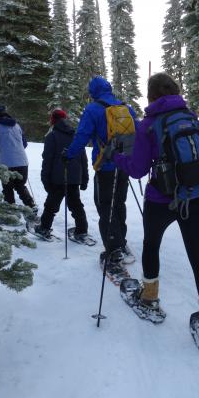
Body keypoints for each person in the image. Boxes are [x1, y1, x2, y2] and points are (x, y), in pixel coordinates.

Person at [113, 72, 199, 348]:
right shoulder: (190, 117)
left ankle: (149, 298)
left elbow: (138, 169)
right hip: (196, 198)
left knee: (151, 246)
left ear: (151, 95)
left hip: (161, 199)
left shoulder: (148, 124)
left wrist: (116, 157)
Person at [65, 76, 136, 268]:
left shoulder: (93, 109)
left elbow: (82, 137)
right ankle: (120, 239)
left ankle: (114, 250)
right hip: (124, 165)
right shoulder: (126, 107)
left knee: (105, 206)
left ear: (93, 92)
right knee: (119, 203)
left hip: (105, 166)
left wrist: (69, 155)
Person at [34, 109, 89, 240]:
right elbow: (83, 160)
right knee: (76, 205)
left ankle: (44, 228)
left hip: (57, 178)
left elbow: (47, 160)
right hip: (74, 178)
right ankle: (81, 231)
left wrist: (45, 179)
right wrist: (84, 179)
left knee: (51, 205)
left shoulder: (51, 136)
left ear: (53, 120)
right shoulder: (75, 136)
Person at [0, 104, 36, 212]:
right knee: (20, 186)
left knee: (8, 188)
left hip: (7, 163)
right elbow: (24, 144)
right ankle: (31, 206)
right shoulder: (17, 125)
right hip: (22, 161)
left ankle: (10, 211)